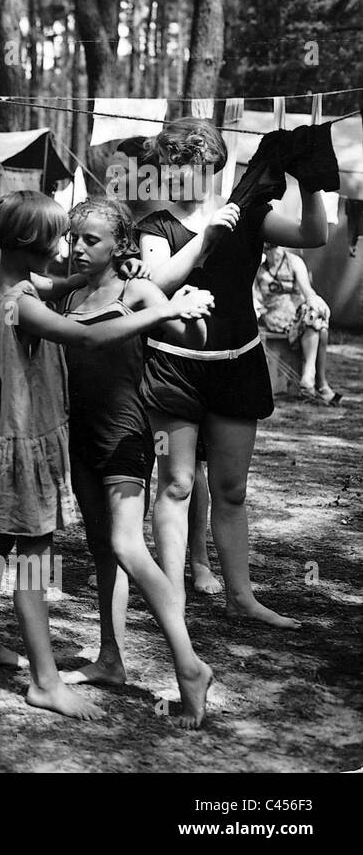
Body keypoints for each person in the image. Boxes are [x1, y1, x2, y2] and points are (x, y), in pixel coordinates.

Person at [0, 191, 213, 721]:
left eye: (85, 239)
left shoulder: (24, 285)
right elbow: (82, 339)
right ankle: (44, 681)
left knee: (0, 539)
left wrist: (161, 300)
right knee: (29, 556)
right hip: (28, 436)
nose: (69, 248)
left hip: (53, 432)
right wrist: (164, 306)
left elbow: (68, 290)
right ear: (31, 245)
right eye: (62, 238)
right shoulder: (26, 299)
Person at [134, 117, 331, 629]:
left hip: (238, 363)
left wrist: (310, 179)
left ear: (215, 165)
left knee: (232, 490)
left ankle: (240, 596)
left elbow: (314, 234)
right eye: (174, 168)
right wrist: (205, 239)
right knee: (175, 484)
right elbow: (156, 284)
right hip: (172, 367)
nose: (184, 176)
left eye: (195, 167)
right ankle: (171, 592)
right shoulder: (156, 225)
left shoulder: (250, 213)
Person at [58, 200, 214, 727]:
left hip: (127, 434)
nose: (78, 247)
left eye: (91, 241)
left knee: (127, 543)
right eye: (74, 237)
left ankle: (189, 666)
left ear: (119, 246)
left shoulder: (137, 291)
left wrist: (189, 311)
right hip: (80, 435)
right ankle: (110, 658)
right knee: (102, 548)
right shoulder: (74, 292)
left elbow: (192, 339)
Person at [254, 243, 341, 405]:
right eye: (266, 248)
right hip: (273, 319)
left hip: (297, 316)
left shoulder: (293, 262)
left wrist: (316, 301)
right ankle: (320, 383)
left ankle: (310, 376)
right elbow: (255, 298)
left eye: (273, 248)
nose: (272, 253)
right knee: (320, 328)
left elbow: (307, 291)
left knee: (316, 316)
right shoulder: (258, 268)